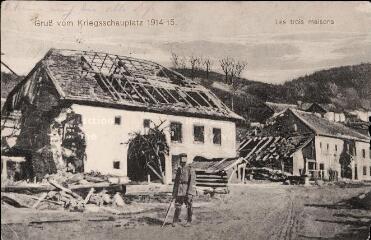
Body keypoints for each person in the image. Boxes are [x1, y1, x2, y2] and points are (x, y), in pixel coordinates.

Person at [172, 155, 196, 227]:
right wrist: (174, 192)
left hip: (187, 189)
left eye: (184, 161)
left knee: (189, 205)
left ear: (186, 160)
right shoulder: (179, 169)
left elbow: (192, 181)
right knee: (178, 205)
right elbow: (176, 182)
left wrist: (190, 192)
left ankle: (189, 221)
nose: (182, 162)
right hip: (179, 190)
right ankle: (175, 221)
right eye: (181, 161)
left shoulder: (190, 169)